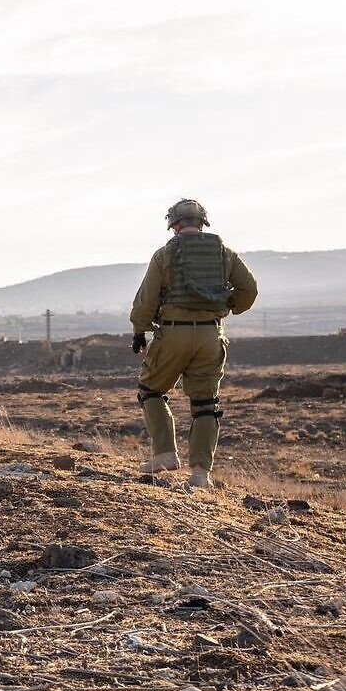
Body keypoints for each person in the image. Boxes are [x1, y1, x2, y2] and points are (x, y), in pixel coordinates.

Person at [130, 199, 258, 488]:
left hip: (173, 334)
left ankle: (164, 453)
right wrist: (227, 306)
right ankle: (200, 475)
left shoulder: (164, 254)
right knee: (205, 405)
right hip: (211, 336)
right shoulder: (225, 254)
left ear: (174, 224)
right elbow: (249, 289)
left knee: (151, 390)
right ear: (202, 222)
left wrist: (140, 331)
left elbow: (147, 299)